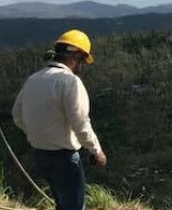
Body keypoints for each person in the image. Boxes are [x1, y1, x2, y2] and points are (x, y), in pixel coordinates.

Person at [13, 30, 107, 210]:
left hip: (40, 155)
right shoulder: (69, 81)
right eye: (82, 61)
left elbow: (17, 114)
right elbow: (80, 121)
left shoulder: (34, 79)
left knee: (61, 202)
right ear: (77, 56)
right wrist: (97, 151)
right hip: (63, 158)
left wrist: (40, 133)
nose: (81, 66)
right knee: (73, 205)